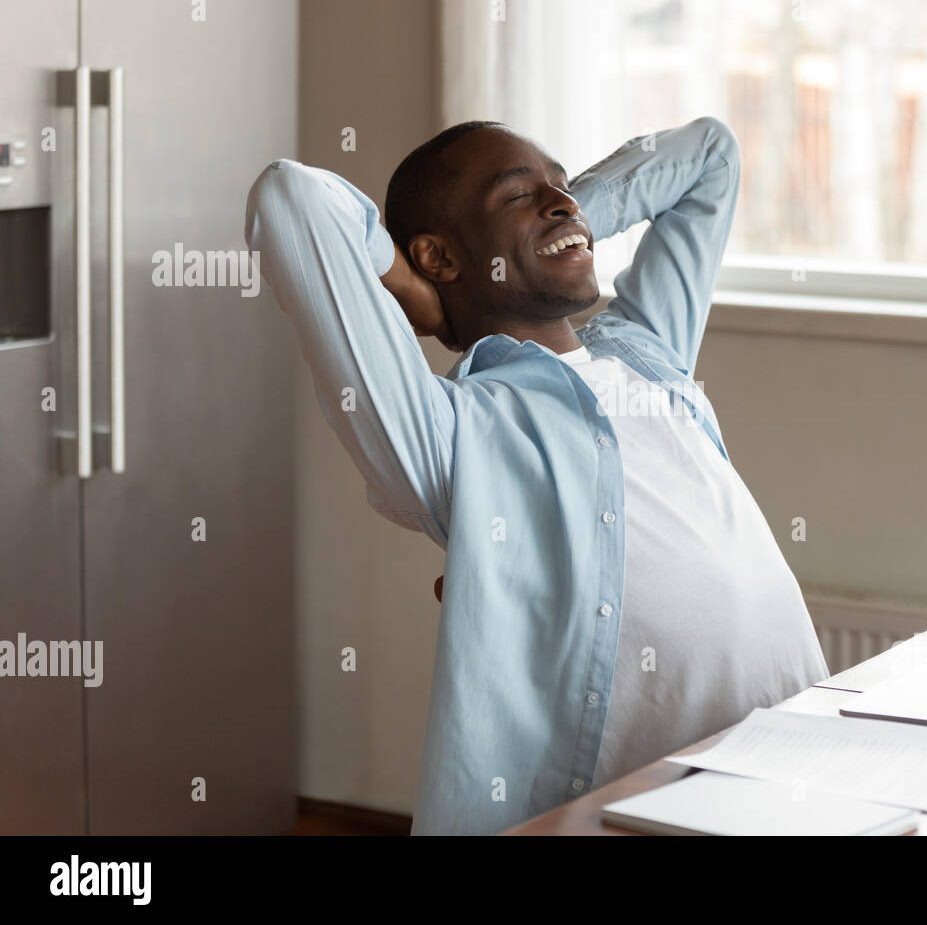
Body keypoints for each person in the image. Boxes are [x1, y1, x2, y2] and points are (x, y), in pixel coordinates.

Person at [244, 116, 828, 835]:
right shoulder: (448, 433)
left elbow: (709, 154)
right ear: (439, 254)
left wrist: (562, 218)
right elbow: (291, 199)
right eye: (517, 195)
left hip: (799, 767)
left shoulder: (646, 351)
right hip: (654, 811)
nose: (562, 200)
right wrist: (415, 288)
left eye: (562, 185)